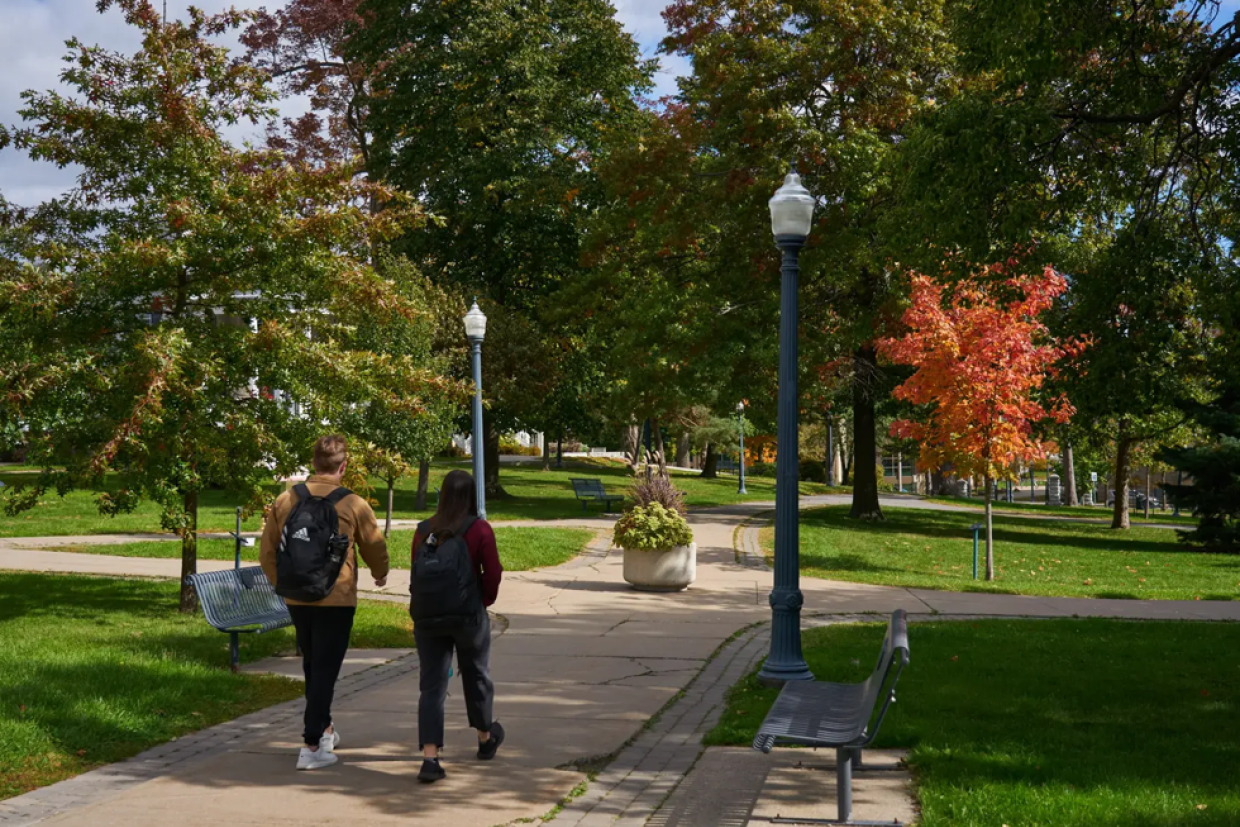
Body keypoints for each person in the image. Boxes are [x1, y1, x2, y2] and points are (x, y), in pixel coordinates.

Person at [260, 434, 389, 771]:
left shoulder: (286, 500)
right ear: (343, 467)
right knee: (325, 672)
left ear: (314, 463)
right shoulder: (353, 504)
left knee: (313, 666)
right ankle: (311, 744)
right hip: (336, 597)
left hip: (297, 598)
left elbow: (268, 553)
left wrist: (284, 585)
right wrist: (380, 573)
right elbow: (374, 545)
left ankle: (326, 729)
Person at [410, 469, 503, 783]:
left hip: (428, 618)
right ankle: (485, 737)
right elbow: (492, 573)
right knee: (476, 673)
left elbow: (416, 574)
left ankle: (430, 757)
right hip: (467, 617)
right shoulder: (479, 530)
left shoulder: (423, 530)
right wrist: (483, 602)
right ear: (472, 495)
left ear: (443, 495)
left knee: (432, 686)